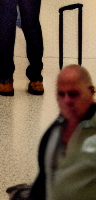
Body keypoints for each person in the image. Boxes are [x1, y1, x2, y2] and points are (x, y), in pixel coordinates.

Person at [28, 65, 96, 199]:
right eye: (61, 94)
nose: (67, 101)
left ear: (91, 92)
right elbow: (42, 182)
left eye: (73, 94)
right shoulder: (52, 134)